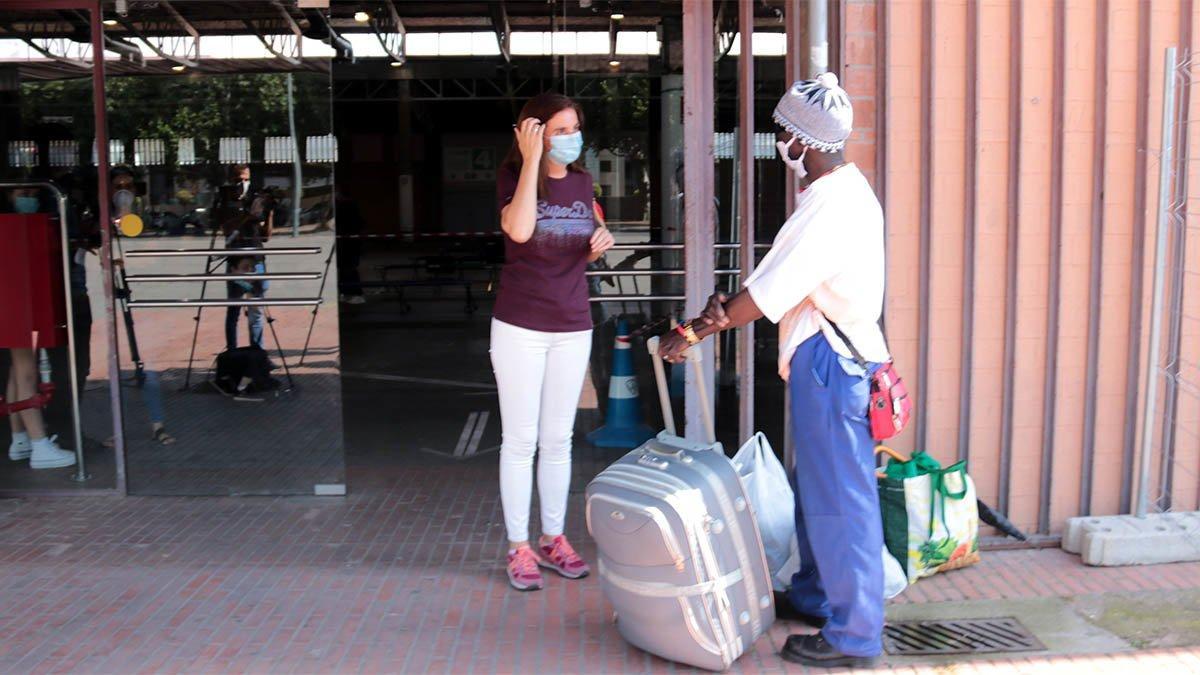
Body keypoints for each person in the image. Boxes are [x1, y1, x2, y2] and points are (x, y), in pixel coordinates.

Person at [657, 73, 889, 668]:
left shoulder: (831, 206)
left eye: (783, 131)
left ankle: (854, 636)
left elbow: (762, 297)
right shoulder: (838, 192)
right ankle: (818, 596)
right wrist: (716, 316)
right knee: (819, 492)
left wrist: (692, 333)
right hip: (830, 363)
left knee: (841, 502)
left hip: (833, 367)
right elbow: (772, 287)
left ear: (802, 140)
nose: (779, 141)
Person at [493, 92, 614, 591]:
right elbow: (520, 231)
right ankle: (518, 547)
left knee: (558, 440)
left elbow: (586, 243)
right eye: (558, 130)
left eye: (573, 129)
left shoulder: (584, 183)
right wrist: (530, 163)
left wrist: (599, 243)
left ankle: (553, 538)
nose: (569, 138)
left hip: (572, 323)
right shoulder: (512, 181)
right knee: (520, 441)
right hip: (521, 326)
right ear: (534, 132)